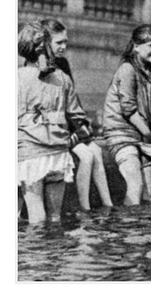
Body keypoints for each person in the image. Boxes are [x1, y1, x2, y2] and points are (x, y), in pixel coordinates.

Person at [17, 21, 88, 223]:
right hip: (58, 154)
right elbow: (79, 118)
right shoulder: (63, 78)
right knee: (55, 217)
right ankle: (56, 251)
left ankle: (38, 255)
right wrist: (70, 139)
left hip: (30, 154)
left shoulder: (17, 77)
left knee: (36, 216)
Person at [40, 18, 113, 211]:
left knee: (96, 150)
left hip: (66, 126)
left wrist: (82, 129)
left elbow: (71, 101)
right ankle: (85, 209)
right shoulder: (36, 67)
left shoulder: (62, 62)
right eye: (59, 42)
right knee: (86, 156)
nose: (64, 46)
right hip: (48, 131)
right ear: (45, 43)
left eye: (65, 42)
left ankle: (108, 204)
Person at [103, 24, 151, 206]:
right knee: (135, 184)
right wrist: (149, 135)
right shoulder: (127, 70)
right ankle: (129, 231)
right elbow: (129, 110)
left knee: (148, 191)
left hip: (143, 137)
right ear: (135, 46)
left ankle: (144, 232)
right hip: (122, 134)